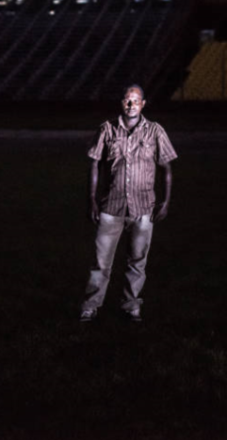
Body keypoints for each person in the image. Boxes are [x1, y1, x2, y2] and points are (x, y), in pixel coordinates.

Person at [80, 84, 177, 322]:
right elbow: (95, 165)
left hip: (143, 209)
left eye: (136, 100)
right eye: (127, 100)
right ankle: (91, 306)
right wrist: (92, 200)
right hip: (111, 207)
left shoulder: (155, 131)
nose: (131, 104)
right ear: (121, 103)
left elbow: (166, 169)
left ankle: (131, 305)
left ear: (143, 104)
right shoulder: (107, 130)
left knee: (137, 261)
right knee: (101, 262)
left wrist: (165, 201)